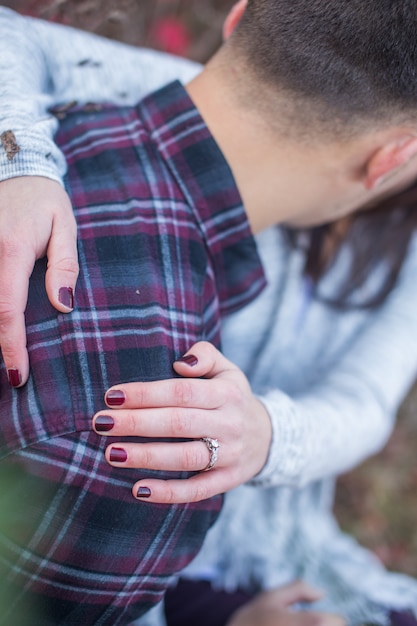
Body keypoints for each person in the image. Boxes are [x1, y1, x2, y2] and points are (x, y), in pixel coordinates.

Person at [2, 2, 417, 625]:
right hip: (164, 512)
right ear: (393, 159)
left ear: (237, 17)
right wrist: (20, 163)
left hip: (243, 531)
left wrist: (269, 437)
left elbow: (364, 400)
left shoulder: (183, 116)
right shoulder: (126, 445)